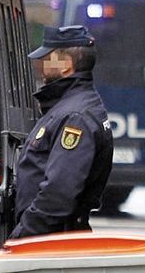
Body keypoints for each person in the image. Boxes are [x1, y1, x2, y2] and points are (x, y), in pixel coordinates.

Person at [10, 25, 113, 239]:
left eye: (48, 58)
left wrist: (21, 238)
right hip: (51, 238)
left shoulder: (75, 117)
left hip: (50, 242)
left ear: (66, 65)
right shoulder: (69, 107)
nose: (41, 64)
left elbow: (58, 194)